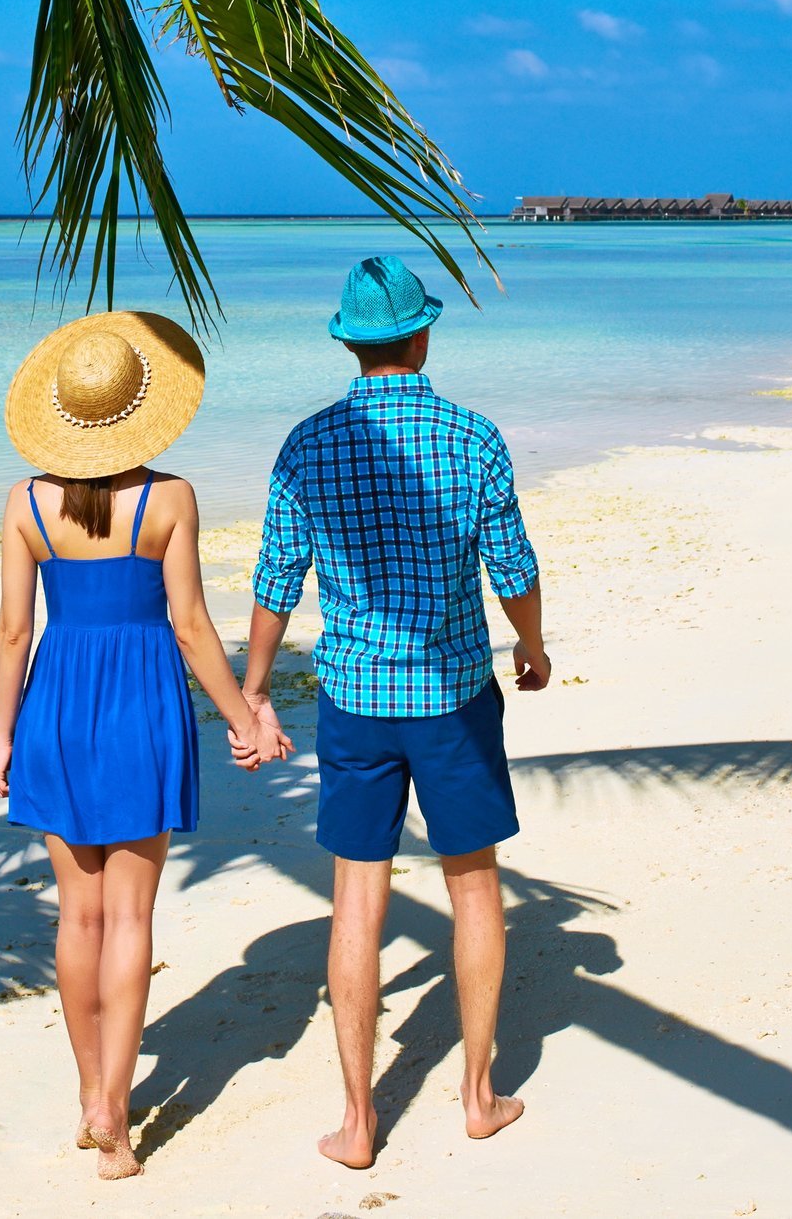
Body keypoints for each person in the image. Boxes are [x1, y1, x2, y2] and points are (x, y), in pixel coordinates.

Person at [236, 256, 549, 1170]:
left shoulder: (308, 444)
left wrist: (255, 688)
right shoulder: (471, 436)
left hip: (354, 700)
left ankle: (359, 1120)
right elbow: (514, 567)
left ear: (350, 342)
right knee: (475, 884)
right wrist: (531, 647)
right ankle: (479, 1095)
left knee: (356, 898)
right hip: (452, 695)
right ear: (421, 335)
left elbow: (274, 581)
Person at [0, 311, 291, 1181]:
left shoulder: (24, 503)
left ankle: (91, 1090)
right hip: (140, 707)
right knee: (129, 917)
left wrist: (6, 731)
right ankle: (115, 1118)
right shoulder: (169, 498)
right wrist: (243, 717)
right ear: (139, 410)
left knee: (75, 915)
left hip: (55, 705)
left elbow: (15, 631)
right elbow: (192, 626)